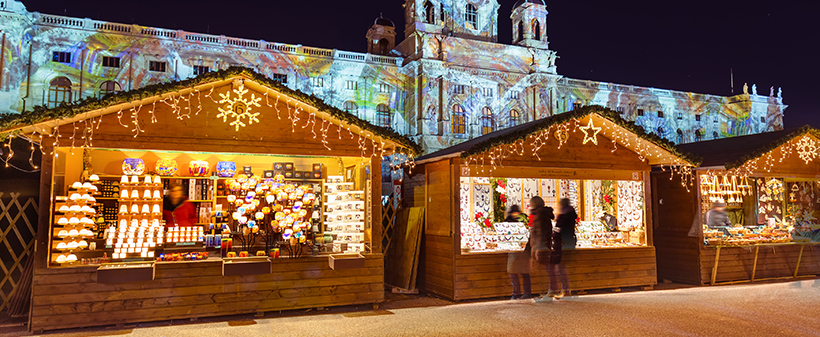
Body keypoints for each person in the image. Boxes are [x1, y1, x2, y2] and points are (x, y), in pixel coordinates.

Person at [542, 198, 576, 300]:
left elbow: (558, 230)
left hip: (561, 244)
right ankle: (565, 289)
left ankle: (564, 289)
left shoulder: (563, 216)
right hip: (568, 243)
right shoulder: (571, 215)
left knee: (560, 267)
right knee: (562, 267)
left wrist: (554, 235)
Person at [527, 196, 556, 302]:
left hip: (541, 247)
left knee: (543, 270)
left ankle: (547, 292)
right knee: (547, 270)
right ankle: (548, 291)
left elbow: (541, 233)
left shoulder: (539, 216)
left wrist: (537, 247)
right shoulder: (543, 215)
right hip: (543, 246)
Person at [505, 205, 531, 300]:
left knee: (524, 272)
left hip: (523, 251)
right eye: (513, 212)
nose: (515, 214)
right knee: (513, 272)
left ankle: (527, 293)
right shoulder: (507, 221)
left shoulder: (524, 220)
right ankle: (516, 293)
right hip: (513, 250)